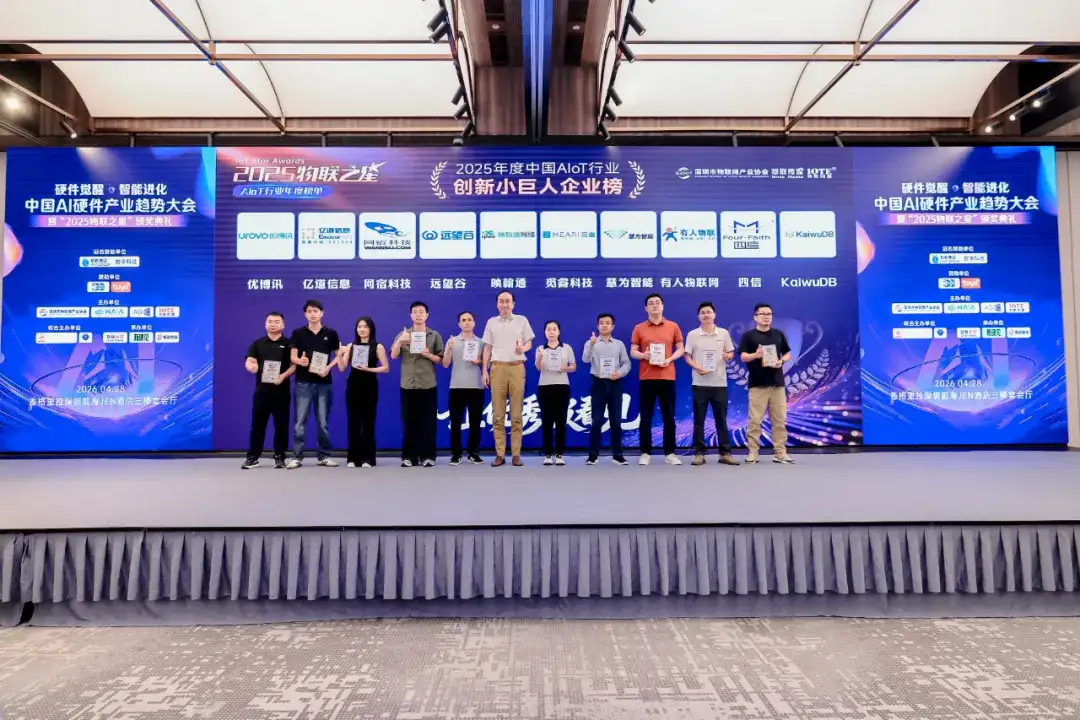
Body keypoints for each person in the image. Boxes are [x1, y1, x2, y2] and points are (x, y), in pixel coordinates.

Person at [287, 299, 346, 469]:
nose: (312, 314)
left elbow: (338, 355)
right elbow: (292, 356)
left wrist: (328, 367)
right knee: (300, 422)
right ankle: (296, 457)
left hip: (323, 383)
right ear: (305, 314)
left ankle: (324, 456)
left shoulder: (331, 333)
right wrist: (300, 361)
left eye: (316, 311)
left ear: (322, 313)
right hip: (303, 383)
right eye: (309, 311)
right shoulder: (298, 333)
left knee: (323, 422)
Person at [629, 293, 685, 465]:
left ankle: (670, 453)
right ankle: (645, 452)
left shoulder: (673, 326)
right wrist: (643, 355)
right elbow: (633, 351)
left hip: (667, 377)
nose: (655, 305)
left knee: (669, 416)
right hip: (647, 378)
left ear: (662, 306)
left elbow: (681, 349)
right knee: (646, 416)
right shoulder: (639, 328)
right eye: (651, 303)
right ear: (646, 308)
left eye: (658, 302)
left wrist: (670, 359)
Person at [481, 291, 534, 467]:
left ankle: (516, 454)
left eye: (507, 301)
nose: (504, 304)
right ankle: (500, 454)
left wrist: (523, 348)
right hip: (497, 368)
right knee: (498, 414)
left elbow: (529, 342)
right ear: (497, 304)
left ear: (513, 304)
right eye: (501, 301)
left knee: (517, 413)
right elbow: (487, 348)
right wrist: (484, 370)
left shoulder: (522, 320)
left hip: (517, 367)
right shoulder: (491, 322)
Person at [737, 302, 794, 464]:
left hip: (777, 384)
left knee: (779, 420)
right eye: (762, 314)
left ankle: (780, 452)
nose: (766, 317)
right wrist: (755, 355)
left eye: (769, 314)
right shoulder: (748, 336)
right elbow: (743, 357)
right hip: (757, 384)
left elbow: (787, 354)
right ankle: (753, 452)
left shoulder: (778, 334)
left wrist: (781, 361)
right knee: (755, 421)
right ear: (755, 317)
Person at [684, 301, 739, 466]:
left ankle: (725, 453)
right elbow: (687, 356)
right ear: (698, 316)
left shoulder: (723, 333)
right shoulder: (692, 334)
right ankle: (699, 453)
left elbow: (730, 352)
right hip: (699, 383)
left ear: (714, 315)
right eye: (703, 312)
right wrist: (697, 367)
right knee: (699, 420)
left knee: (721, 420)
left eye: (709, 312)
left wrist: (728, 356)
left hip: (719, 384)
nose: (706, 315)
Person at [390, 301, 444, 467]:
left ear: (426, 315)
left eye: (421, 312)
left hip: (428, 384)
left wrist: (428, 354)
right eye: (415, 312)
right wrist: (401, 342)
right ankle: (409, 457)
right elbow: (393, 355)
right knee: (409, 422)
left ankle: (428, 456)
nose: (418, 314)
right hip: (408, 385)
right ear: (411, 315)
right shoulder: (403, 334)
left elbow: (440, 360)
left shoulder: (434, 335)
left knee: (428, 422)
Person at [242, 311, 295, 469]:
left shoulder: (289, 344)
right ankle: (253, 457)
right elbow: (250, 360)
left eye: (277, 321)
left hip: (281, 390)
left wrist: (283, 376)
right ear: (265, 324)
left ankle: (280, 457)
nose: (273, 324)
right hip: (262, 391)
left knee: (281, 425)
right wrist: (250, 366)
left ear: (283, 325)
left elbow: (295, 365)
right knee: (258, 425)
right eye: (270, 321)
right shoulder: (257, 343)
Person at [337, 316, 389, 468]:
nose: (362, 329)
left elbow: (385, 368)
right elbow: (342, 368)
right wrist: (339, 354)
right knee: (353, 422)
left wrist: (369, 369)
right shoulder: (351, 346)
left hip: (370, 386)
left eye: (365, 326)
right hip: (353, 386)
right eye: (359, 326)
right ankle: (353, 458)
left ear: (371, 329)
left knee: (368, 422)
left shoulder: (378, 346)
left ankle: (368, 458)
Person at [582, 313, 631, 465]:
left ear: (612, 327)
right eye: (601, 323)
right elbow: (585, 360)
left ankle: (617, 455)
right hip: (598, 383)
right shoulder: (591, 342)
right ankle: (593, 455)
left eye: (607, 323)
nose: (604, 325)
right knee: (596, 420)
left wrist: (620, 373)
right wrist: (591, 344)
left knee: (616, 421)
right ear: (598, 326)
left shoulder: (619, 344)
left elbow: (627, 363)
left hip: (615, 383)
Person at [442, 311, 486, 466]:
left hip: (476, 386)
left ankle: (473, 453)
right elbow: (445, 364)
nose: (467, 322)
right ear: (459, 324)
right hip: (456, 386)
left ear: (474, 323)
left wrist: (479, 361)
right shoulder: (452, 341)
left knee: (475, 421)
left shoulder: (481, 342)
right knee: (455, 421)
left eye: (470, 319)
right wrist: (448, 349)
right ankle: (456, 454)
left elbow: (486, 364)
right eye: (463, 320)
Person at [534, 320, 576, 465]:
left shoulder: (566, 348)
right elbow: (538, 368)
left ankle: (559, 454)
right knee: (546, 421)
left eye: (554, 329)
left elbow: (574, 366)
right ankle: (547, 454)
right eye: (548, 329)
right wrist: (539, 359)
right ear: (545, 332)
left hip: (562, 386)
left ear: (558, 332)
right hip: (545, 386)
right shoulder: (540, 348)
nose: (551, 332)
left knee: (561, 421)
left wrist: (566, 368)